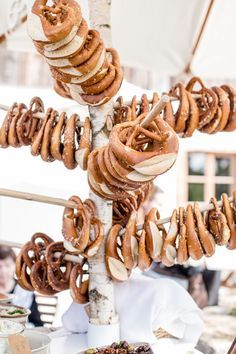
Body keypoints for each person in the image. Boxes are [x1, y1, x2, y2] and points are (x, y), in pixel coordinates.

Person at [0, 245, 43, 327]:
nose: (3, 271)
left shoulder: (25, 290)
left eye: (7, 265)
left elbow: (37, 324)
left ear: (15, 265)